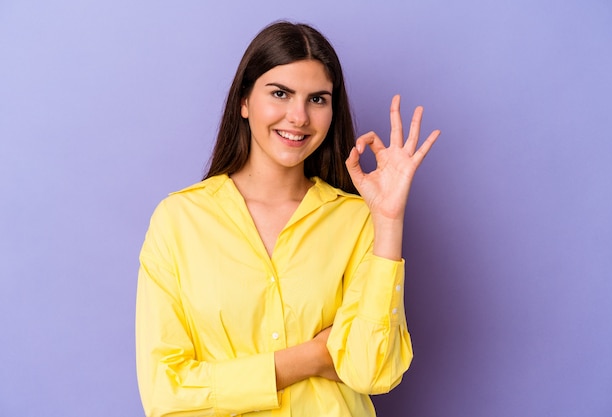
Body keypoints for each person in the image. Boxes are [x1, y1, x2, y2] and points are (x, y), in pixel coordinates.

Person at [136, 21, 440, 417]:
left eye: (317, 99)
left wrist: (388, 220)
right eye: (280, 93)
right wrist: (312, 357)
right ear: (244, 101)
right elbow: (166, 395)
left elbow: (370, 371)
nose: (298, 116)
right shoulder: (179, 220)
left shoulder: (356, 220)